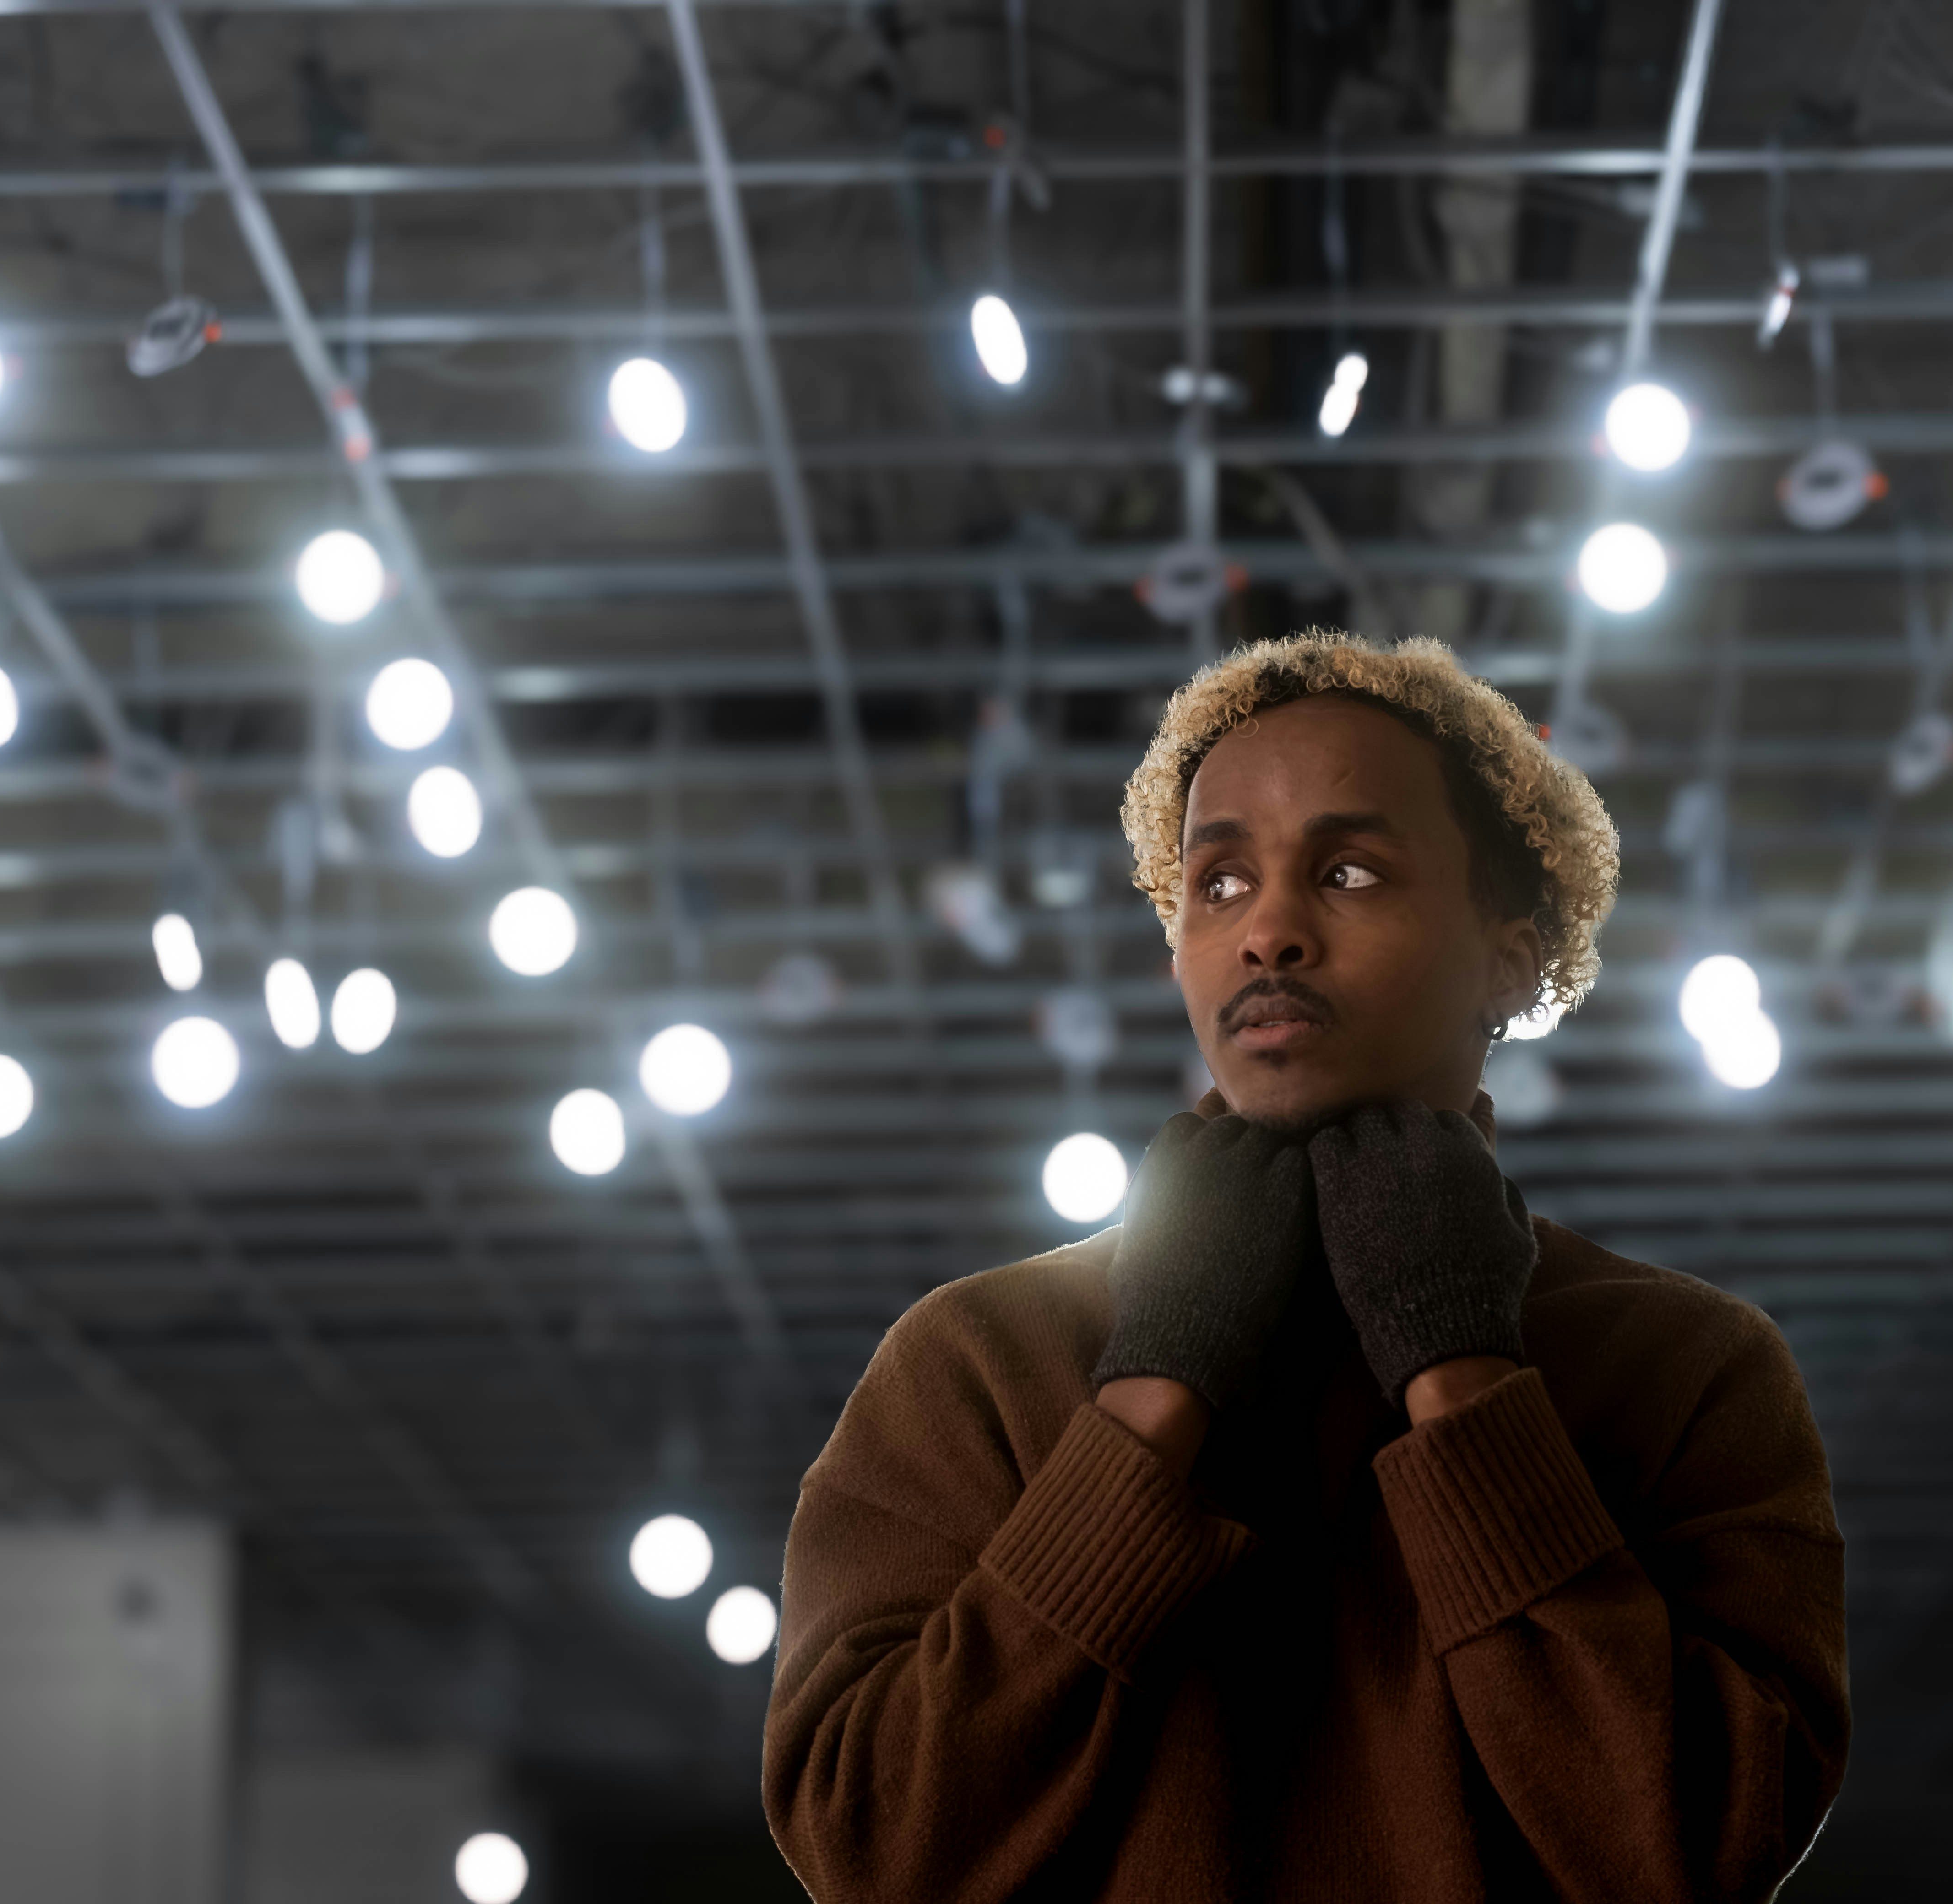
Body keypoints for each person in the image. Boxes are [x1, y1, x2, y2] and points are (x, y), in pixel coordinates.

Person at [762, 631, 1848, 1901]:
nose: (1269, 930)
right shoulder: (975, 1359)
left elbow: (1706, 1846)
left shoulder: (1685, 1367)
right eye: (1217, 885)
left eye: (1349, 870)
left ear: (1514, 949)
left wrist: (1458, 1364)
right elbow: (871, 1851)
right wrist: (1150, 1393)